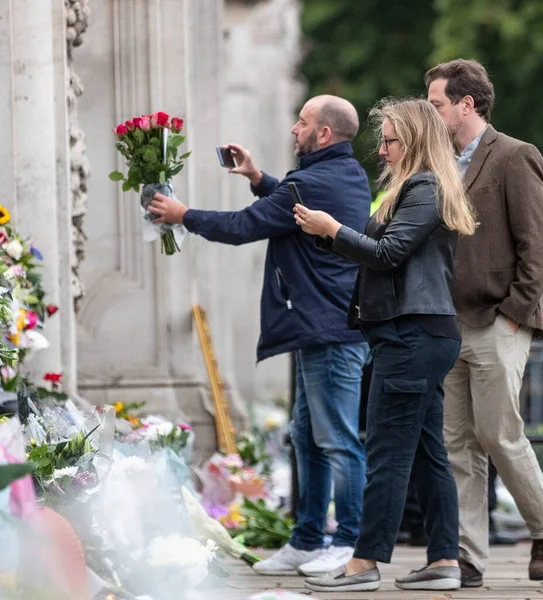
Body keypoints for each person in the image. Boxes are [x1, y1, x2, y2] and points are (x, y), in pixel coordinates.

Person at [148, 95, 371, 576]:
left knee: (337, 441)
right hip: (325, 330)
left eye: (303, 122)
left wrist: (182, 214)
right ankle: (308, 540)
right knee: (307, 438)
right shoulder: (345, 174)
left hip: (331, 333)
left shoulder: (311, 182)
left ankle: (350, 545)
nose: (295, 128)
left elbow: (245, 226)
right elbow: (287, 200)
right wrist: (256, 178)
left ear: (324, 134)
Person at [295, 97, 477, 593]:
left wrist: (334, 230)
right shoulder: (415, 188)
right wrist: (327, 234)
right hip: (417, 333)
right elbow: (384, 250)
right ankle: (443, 561)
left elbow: (389, 253)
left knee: (387, 453)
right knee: (424, 453)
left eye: (390, 140)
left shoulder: (425, 186)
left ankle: (364, 563)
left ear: (413, 141)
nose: (382, 148)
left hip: (411, 334)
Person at [425, 58, 543, 587]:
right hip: (447, 322)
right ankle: (468, 559)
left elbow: (539, 245)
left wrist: (515, 313)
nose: (431, 113)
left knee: (499, 433)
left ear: (467, 103)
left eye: (437, 104)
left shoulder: (514, 156)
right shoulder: (437, 162)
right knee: (456, 443)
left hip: (497, 319)